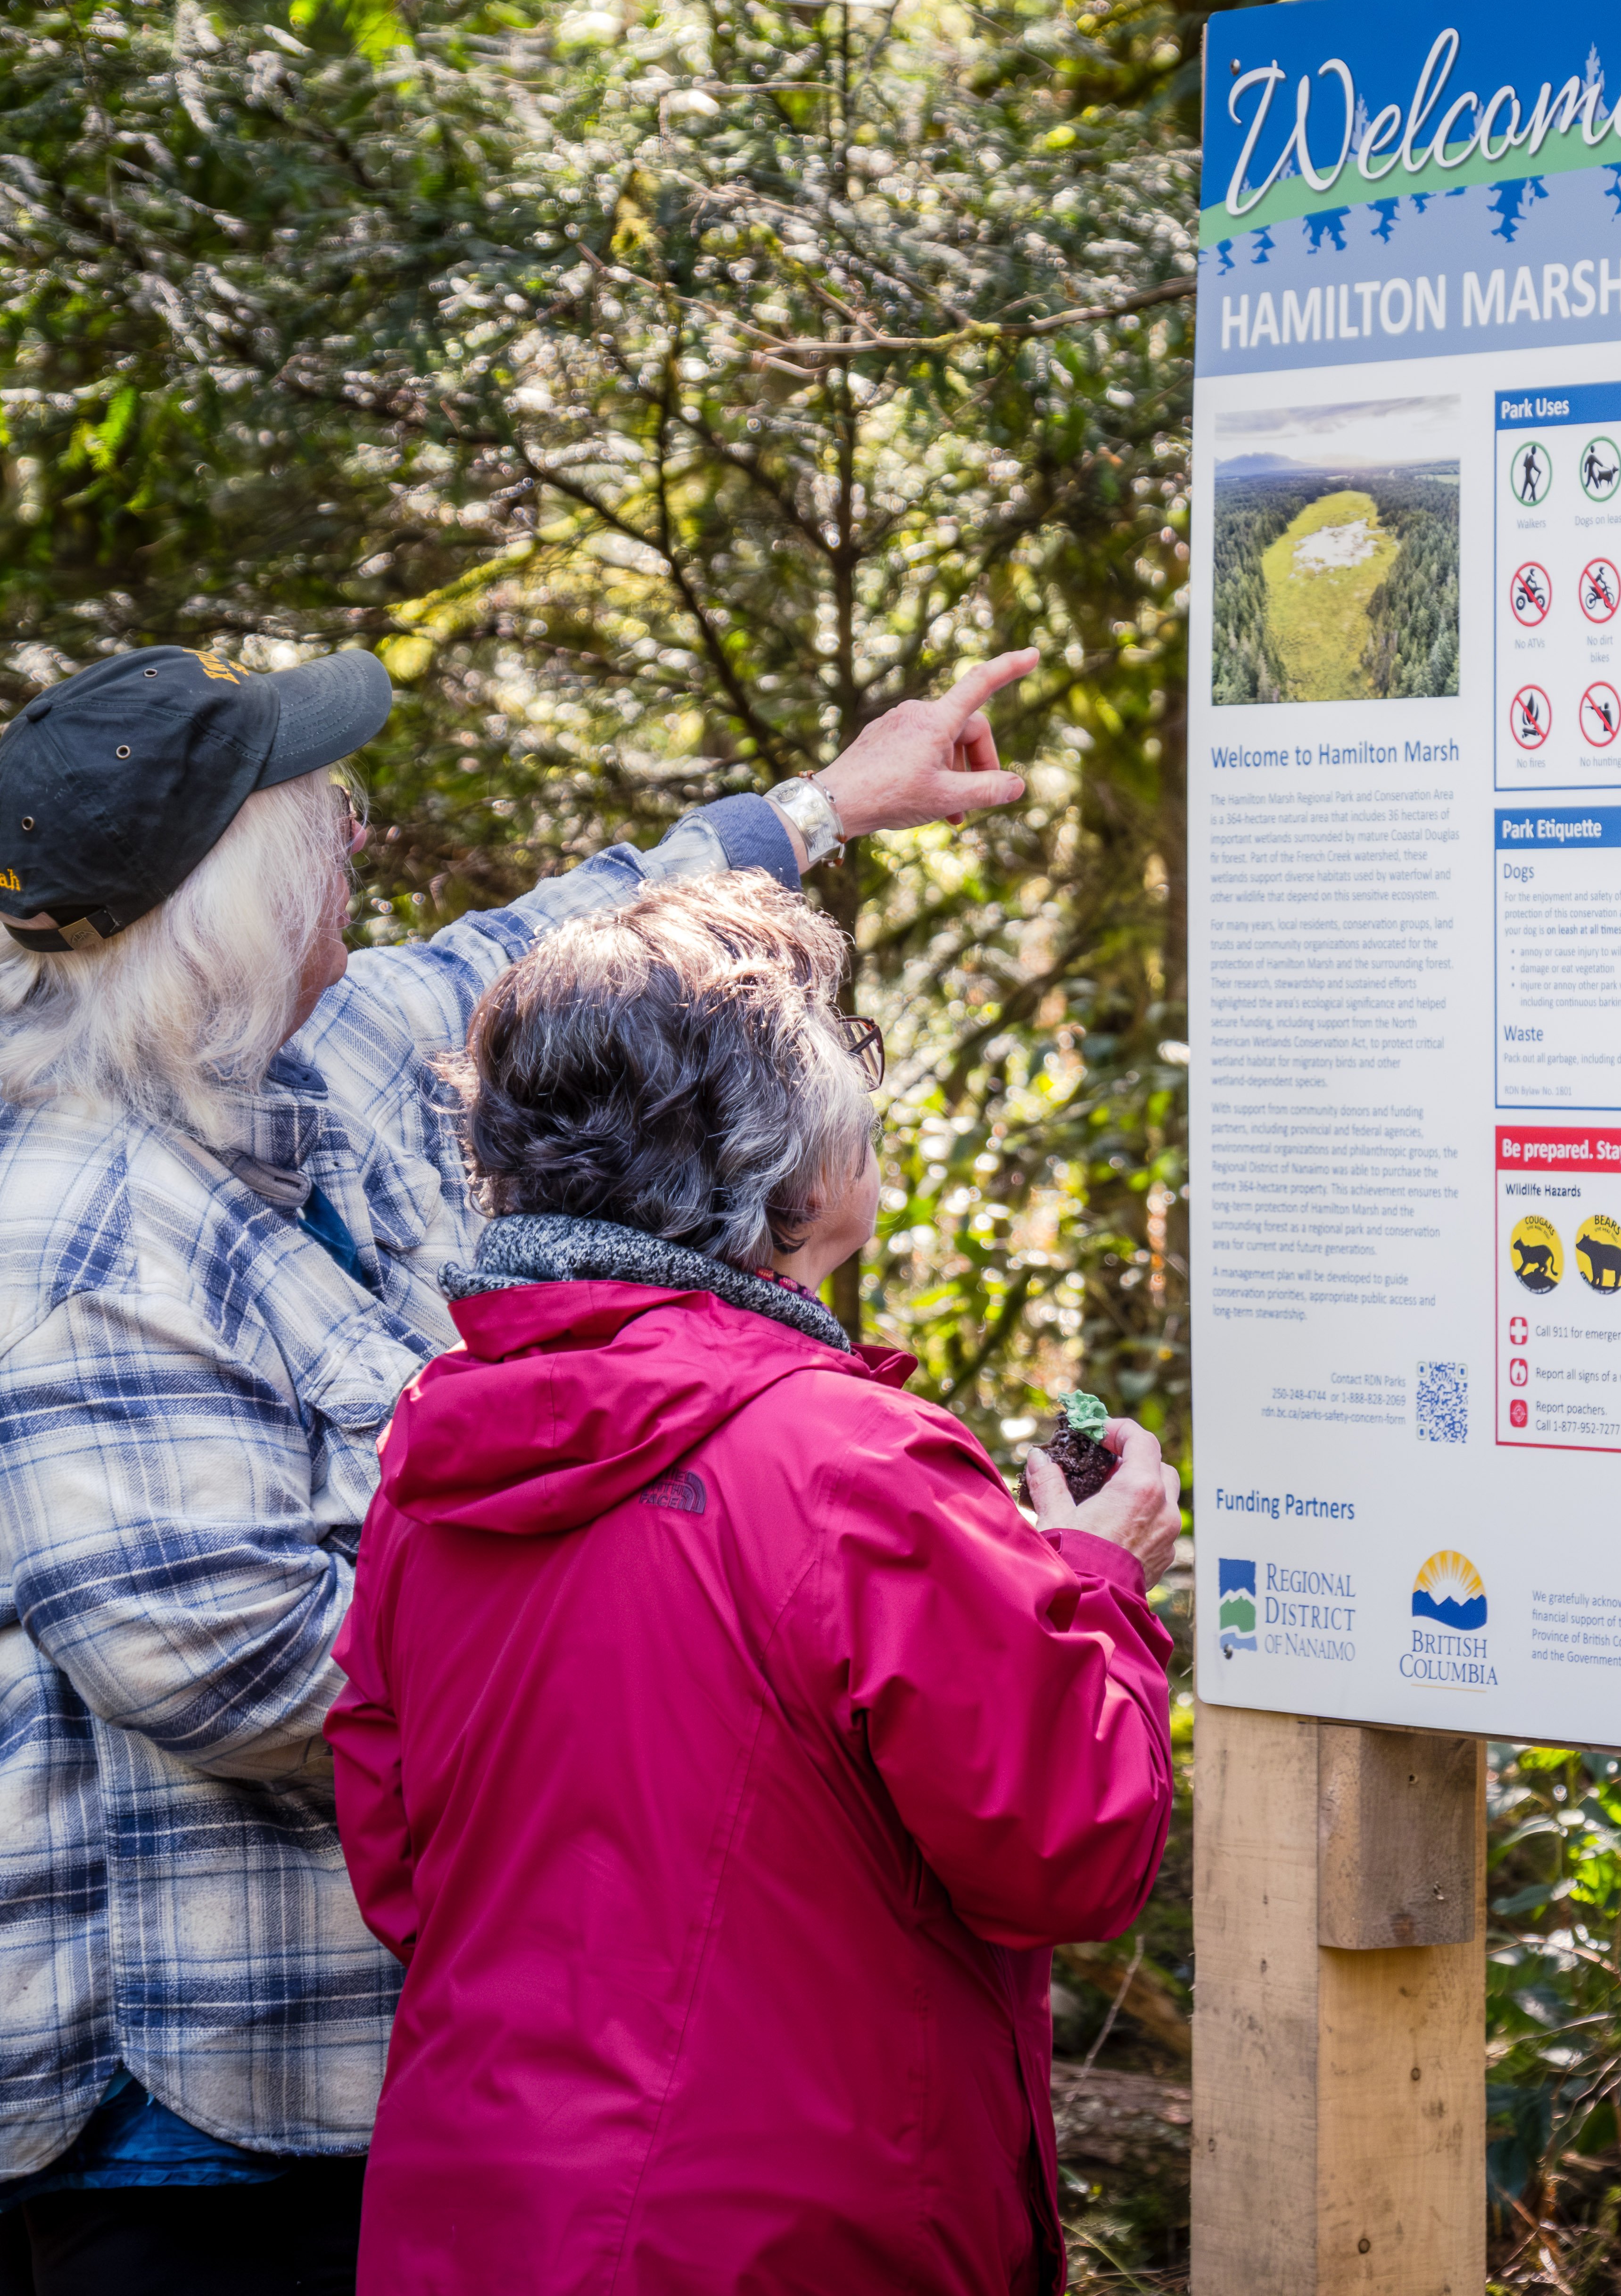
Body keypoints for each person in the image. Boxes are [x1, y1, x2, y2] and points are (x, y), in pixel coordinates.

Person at [0, 636, 1032, 2293]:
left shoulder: (264, 1049)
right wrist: (657, 1644)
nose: (357, 844)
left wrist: (823, 807)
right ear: (239, 905)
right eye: (323, 820)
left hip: (346, 2039)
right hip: (180, 2099)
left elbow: (529, 952)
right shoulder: (70, 1232)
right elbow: (225, 1669)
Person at [325, 871, 1182, 2295]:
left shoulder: (446, 1441)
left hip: (476, 2219)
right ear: (778, 1168)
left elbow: (402, 1862)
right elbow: (1070, 1845)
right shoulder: (847, 1459)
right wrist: (1097, 1580)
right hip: (791, 2237)